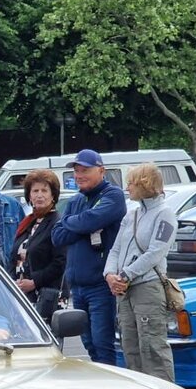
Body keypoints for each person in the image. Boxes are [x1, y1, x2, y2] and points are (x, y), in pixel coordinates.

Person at [51, 149, 127, 365]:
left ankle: (110, 384)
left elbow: (89, 221)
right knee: (89, 343)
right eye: (76, 171)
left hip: (101, 285)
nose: (79, 175)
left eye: (85, 170)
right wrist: (82, 224)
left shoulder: (113, 195)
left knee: (103, 343)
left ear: (101, 171)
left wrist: (73, 223)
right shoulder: (76, 200)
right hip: (78, 286)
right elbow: (57, 236)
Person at [105, 163, 178, 381]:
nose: (127, 188)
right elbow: (116, 249)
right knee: (130, 347)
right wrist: (109, 275)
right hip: (124, 291)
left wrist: (125, 275)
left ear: (145, 184)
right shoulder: (132, 215)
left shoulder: (165, 214)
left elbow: (157, 252)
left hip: (147, 287)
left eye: (131, 183)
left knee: (152, 347)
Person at [6, 169, 67, 321]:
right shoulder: (27, 223)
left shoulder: (58, 223)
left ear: (53, 195)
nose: (39, 195)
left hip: (47, 297)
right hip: (22, 295)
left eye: (44, 191)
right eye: (35, 191)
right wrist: (12, 281)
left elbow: (60, 262)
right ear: (29, 195)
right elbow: (14, 257)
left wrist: (34, 282)